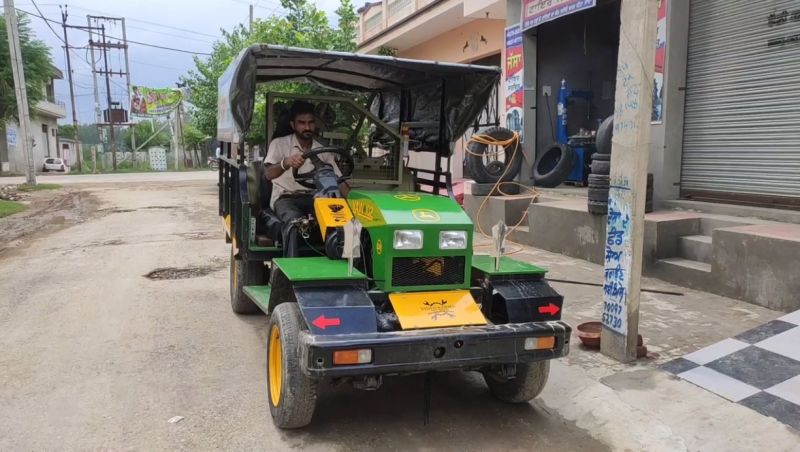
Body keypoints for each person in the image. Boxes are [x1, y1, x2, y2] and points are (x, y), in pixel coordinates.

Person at [264, 101, 349, 255]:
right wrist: (285, 163)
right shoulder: (279, 144)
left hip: (315, 198)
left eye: (310, 122)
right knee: (294, 222)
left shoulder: (322, 150)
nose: (307, 127)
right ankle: (291, 265)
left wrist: (355, 201)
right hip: (286, 197)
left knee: (340, 219)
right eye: (302, 123)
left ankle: (343, 261)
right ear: (293, 124)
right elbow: (268, 174)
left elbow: (338, 181)